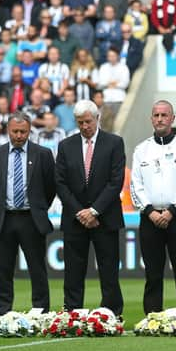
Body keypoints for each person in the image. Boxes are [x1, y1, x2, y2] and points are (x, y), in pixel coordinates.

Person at [56, 100, 125, 317]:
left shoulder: (114, 143)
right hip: (75, 219)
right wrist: (81, 212)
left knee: (109, 269)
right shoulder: (66, 146)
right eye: (80, 122)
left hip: (105, 218)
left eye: (88, 121)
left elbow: (116, 181)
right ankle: (72, 313)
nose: (85, 126)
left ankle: (112, 313)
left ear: (97, 119)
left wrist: (94, 211)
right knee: (73, 270)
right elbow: (60, 183)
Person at [0, 112, 56, 315]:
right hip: (4, 218)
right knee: (3, 270)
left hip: (31, 218)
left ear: (29, 131)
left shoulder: (42, 154)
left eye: (23, 132)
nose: (18, 136)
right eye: (15, 131)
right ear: (8, 130)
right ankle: (3, 310)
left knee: (37, 268)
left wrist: (39, 207)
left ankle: (41, 310)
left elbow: (50, 187)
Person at [130, 100, 176, 314]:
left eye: (164, 115)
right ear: (151, 119)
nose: (160, 119)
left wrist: (172, 211)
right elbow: (135, 185)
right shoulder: (141, 150)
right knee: (153, 273)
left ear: (172, 118)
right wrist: (150, 211)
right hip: (149, 219)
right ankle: (152, 317)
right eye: (156, 115)